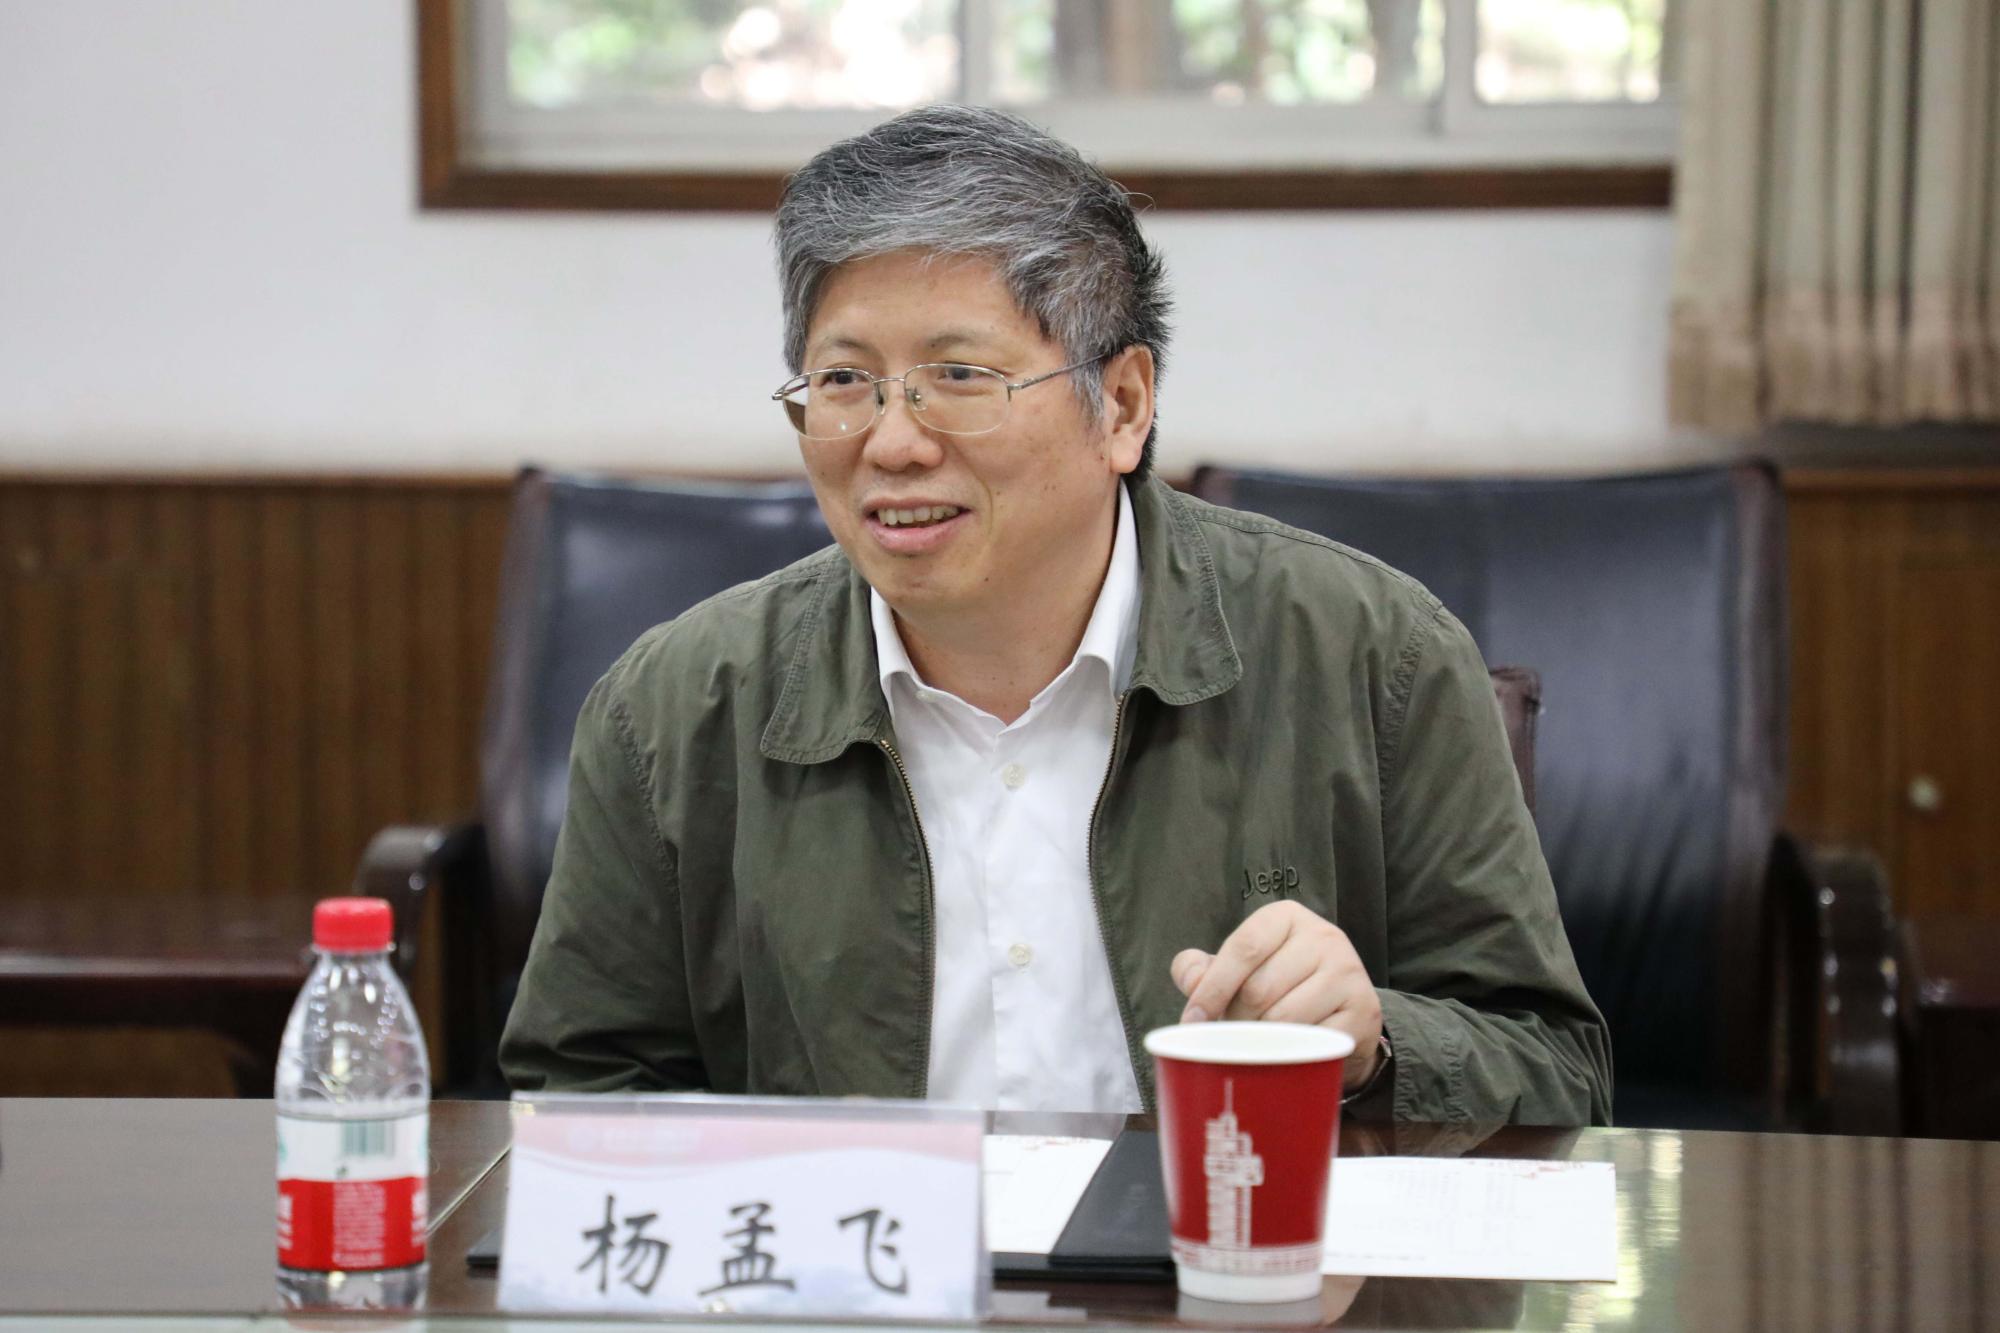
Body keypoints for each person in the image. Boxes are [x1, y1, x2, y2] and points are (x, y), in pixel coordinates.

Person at [500, 104, 1612, 1125]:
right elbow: (581, 1096)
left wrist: (1374, 1045)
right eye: (843, 382)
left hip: (1229, 1257)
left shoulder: (1373, 653)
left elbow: (1556, 1070)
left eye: (958, 376)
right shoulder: (673, 709)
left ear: (1120, 405)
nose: (892, 441)